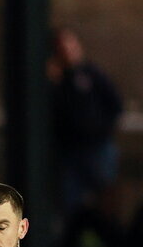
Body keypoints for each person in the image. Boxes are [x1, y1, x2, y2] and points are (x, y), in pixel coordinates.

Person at [48, 27, 122, 213]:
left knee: (104, 200)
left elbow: (115, 104)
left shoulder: (91, 74)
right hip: (69, 152)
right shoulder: (56, 80)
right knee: (70, 203)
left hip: (97, 148)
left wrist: (101, 130)